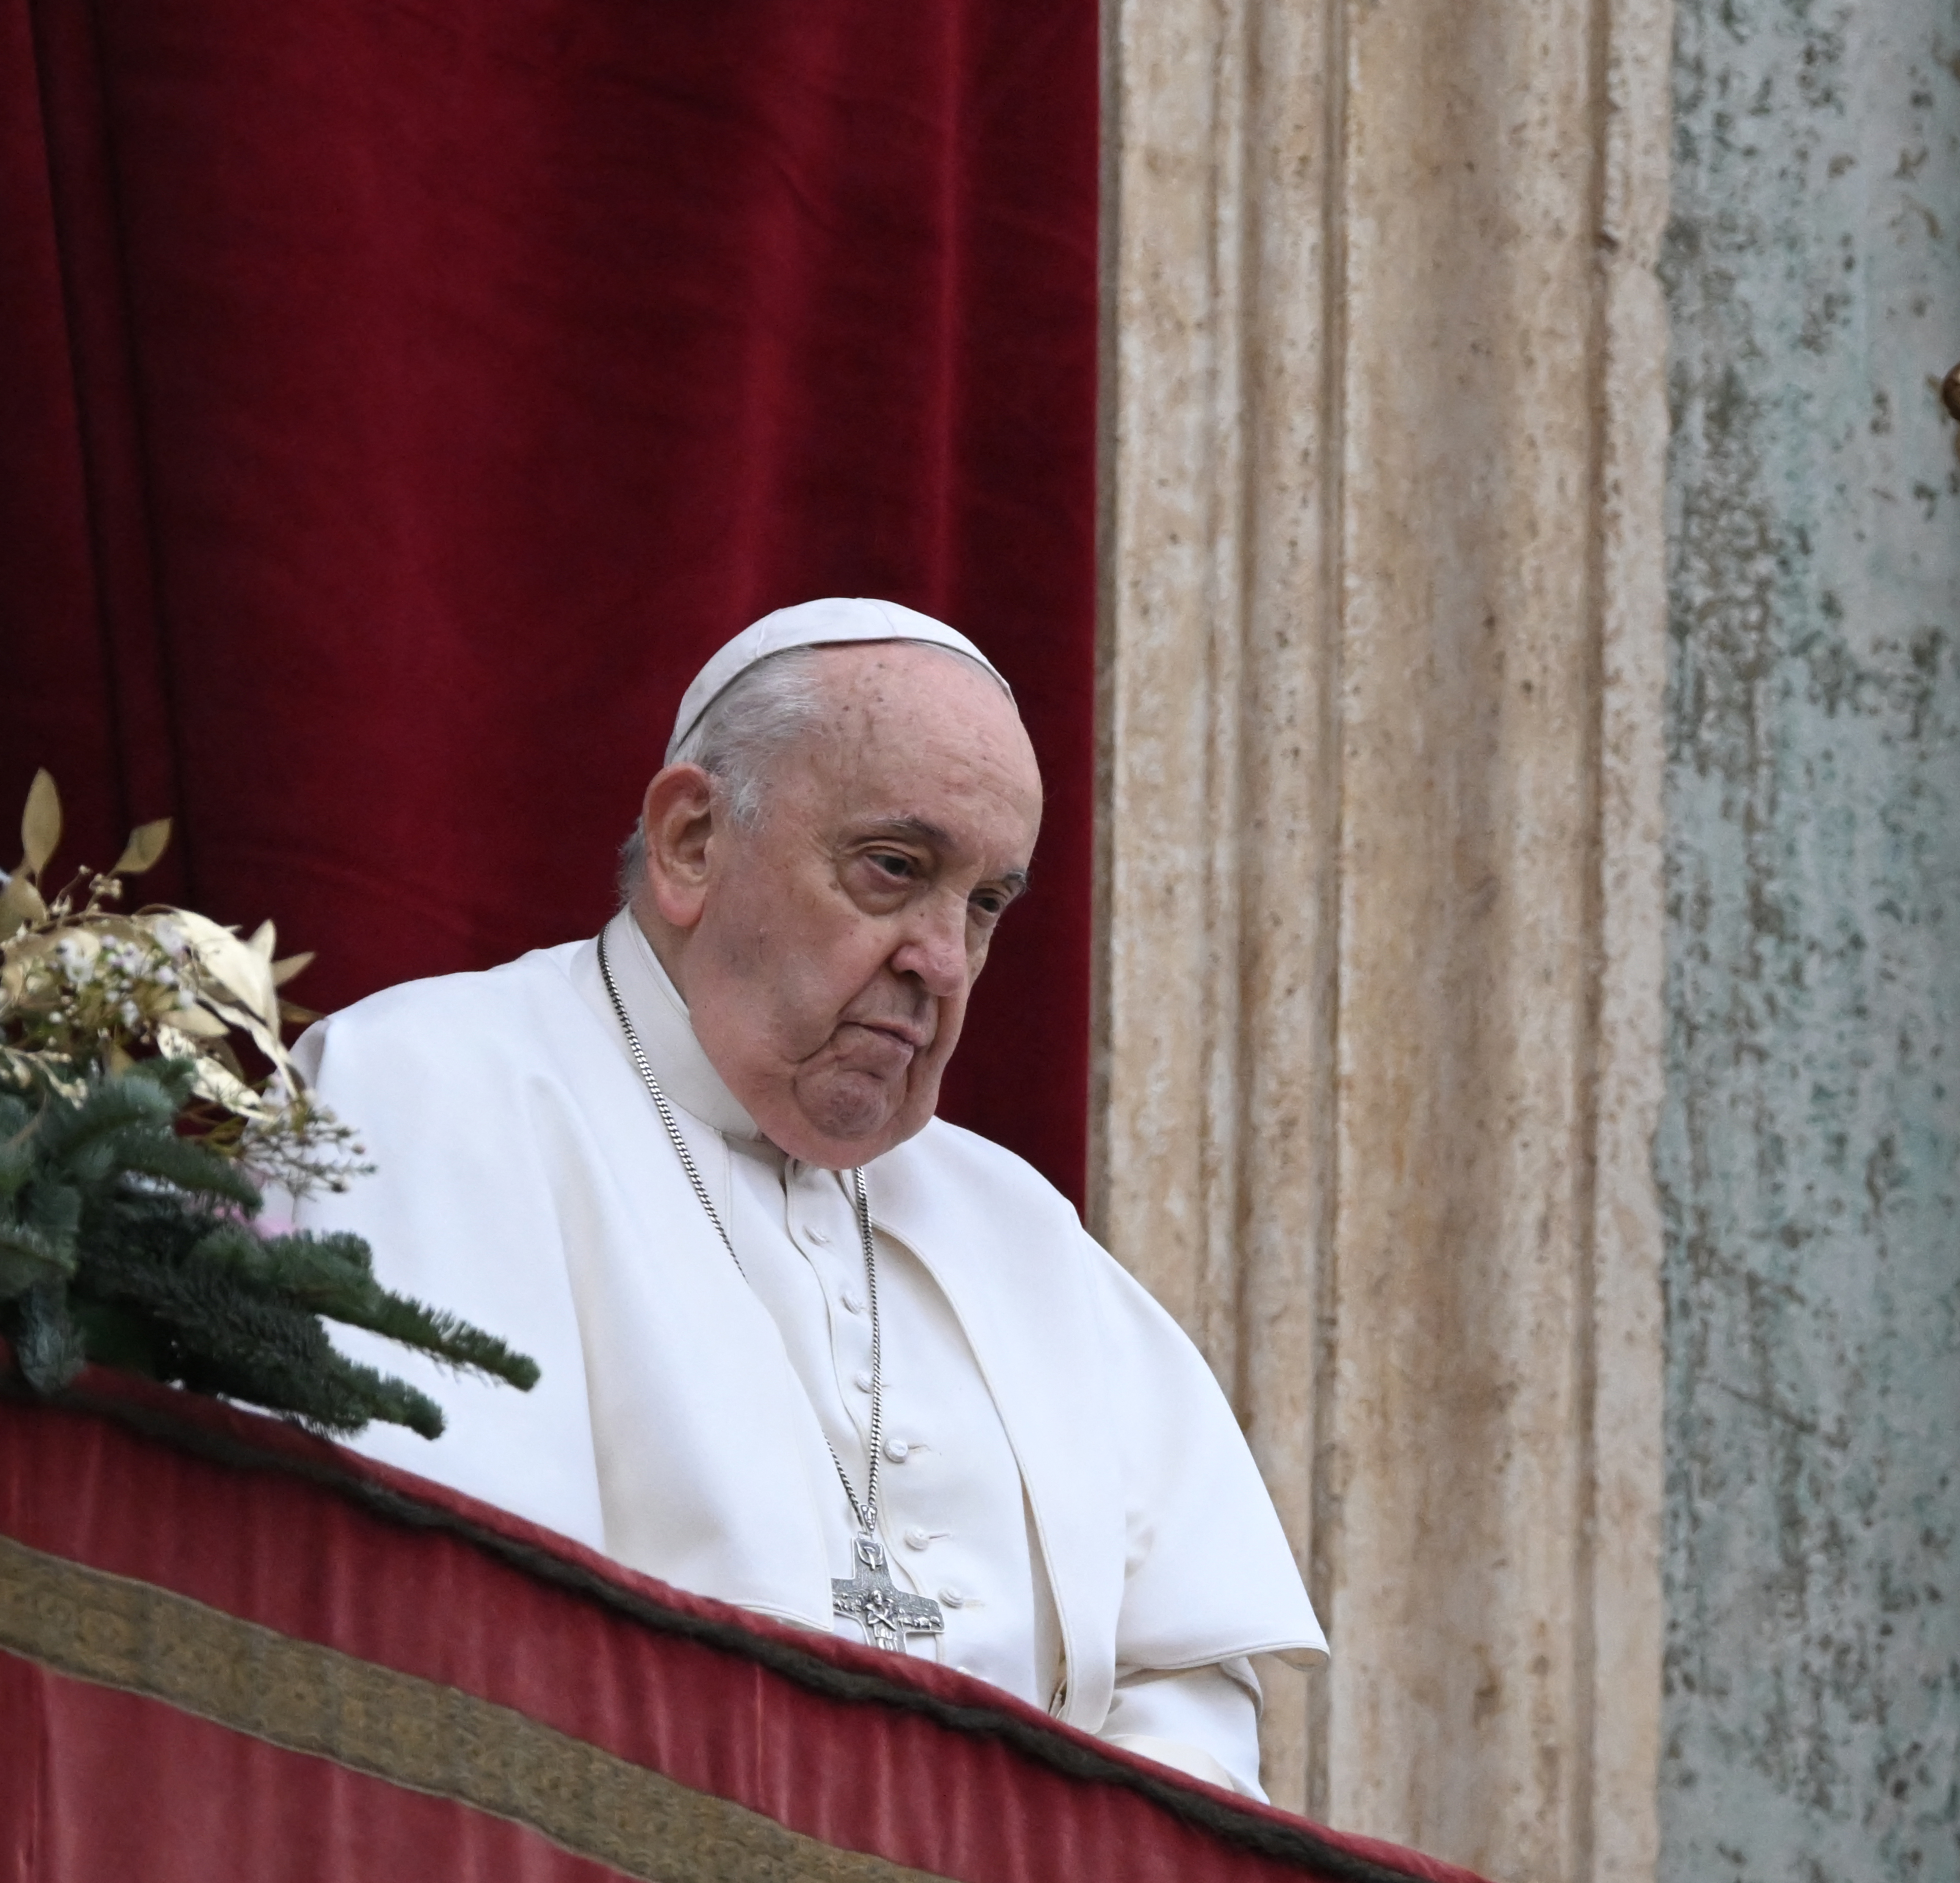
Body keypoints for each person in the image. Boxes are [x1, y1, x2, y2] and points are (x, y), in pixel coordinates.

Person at [295, 597, 1323, 1799]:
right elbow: (444, 1652)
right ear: (690, 839)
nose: (942, 959)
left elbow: (1188, 1693)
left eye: (986, 902)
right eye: (896, 869)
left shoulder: (1023, 1233)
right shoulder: (430, 1091)